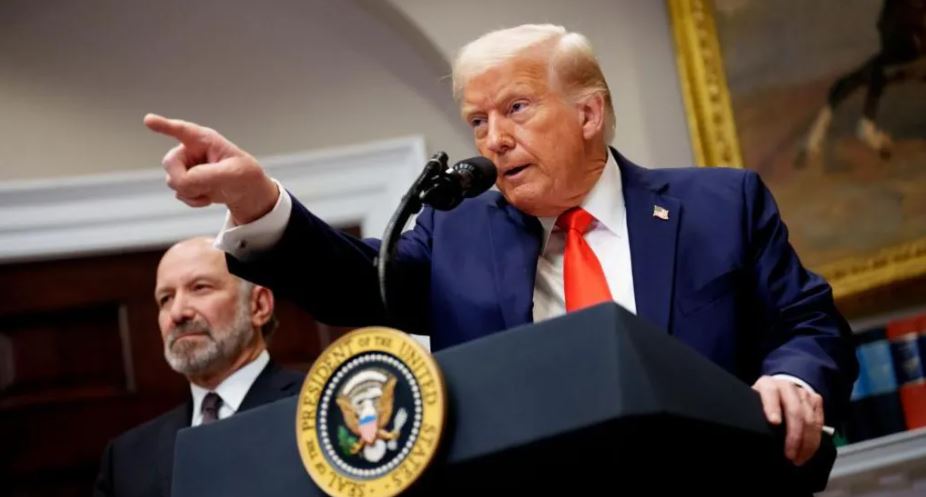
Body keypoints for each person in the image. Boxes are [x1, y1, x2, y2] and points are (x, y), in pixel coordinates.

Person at [142, 24, 857, 470]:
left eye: (516, 108)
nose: (494, 139)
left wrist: (793, 381)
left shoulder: (719, 206)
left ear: (588, 112)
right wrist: (257, 200)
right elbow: (358, 282)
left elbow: (810, 325)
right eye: (478, 121)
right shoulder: (458, 233)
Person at [93, 237, 304, 497]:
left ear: (258, 305)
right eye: (165, 299)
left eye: (200, 288)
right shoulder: (126, 459)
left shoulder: (320, 410)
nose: (177, 312)